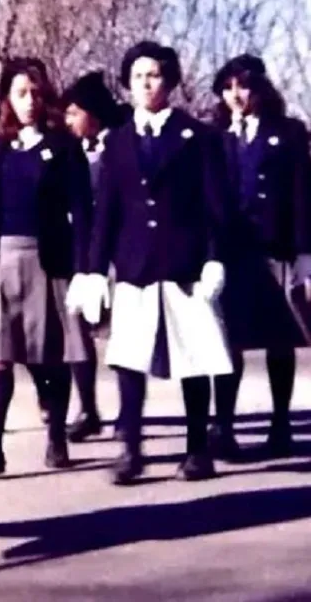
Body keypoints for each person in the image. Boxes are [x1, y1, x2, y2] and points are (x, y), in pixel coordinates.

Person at [77, 41, 234, 485]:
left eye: (155, 75)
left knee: (193, 358)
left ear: (170, 81)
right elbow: (105, 211)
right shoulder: (119, 142)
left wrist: (214, 260)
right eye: (138, 76)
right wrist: (93, 271)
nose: (147, 84)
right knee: (129, 360)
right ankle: (130, 448)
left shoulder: (197, 137)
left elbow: (215, 206)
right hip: (135, 267)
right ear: (128, 85)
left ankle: (197, 448)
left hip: (185, 267)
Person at [0, 57, 94, 474]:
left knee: (50, 357)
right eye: (20, 93)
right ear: (7, 99)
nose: (29, 101)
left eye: (35, 92)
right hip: (1, 259)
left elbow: (82, 212)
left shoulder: (64, 147)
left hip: (47, 260)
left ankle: (56, 438)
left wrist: (85, 270)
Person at [207, 53, 311, 461]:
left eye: (243, 86)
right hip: (231, 251)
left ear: (260, 88)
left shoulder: (288, 133)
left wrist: (305, 252)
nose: (236, 95)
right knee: (227, 341)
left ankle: (281, 424)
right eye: (228, 87)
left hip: (275, 247)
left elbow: (303, 195)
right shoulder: (214, 136)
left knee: (279, 338)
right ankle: (224, 426)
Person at [60, 71, 127, 442]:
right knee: (77, 333)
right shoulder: (70, 152)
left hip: (118, 254)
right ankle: (87, 408)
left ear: (93, 113)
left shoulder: (121, 145)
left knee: (120, 336)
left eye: (74, 113)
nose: (69, 121)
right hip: (80, 253)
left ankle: (125, 411)